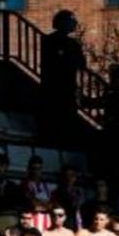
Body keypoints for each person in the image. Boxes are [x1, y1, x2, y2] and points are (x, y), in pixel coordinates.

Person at [39, 9, 85, 143]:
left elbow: (82, 64)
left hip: (68, 87)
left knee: (68, 114)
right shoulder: (50, 40)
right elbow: (50, 63)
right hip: (53, 87)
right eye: (70, 22)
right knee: (54, 114)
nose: (73, 25)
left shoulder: (74, 44)